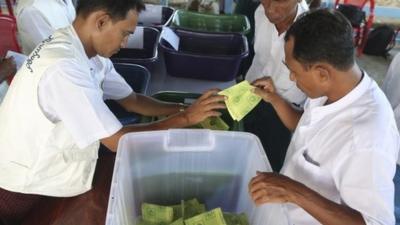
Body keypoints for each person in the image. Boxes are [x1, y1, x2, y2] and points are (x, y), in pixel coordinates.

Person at [0, 0, 225, 223]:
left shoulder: (88, 54)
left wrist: (184, 108)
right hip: (19, 184)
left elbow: (133, 101)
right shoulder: (64, 67)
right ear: (102, 22)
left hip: (49, 166)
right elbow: (117, 141)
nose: (125, 43)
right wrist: (186, 118)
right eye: (125, 33)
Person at [249, 9, 399, 225]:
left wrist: (294, 191)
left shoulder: (368, 137)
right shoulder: (333, 90)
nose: (291, 77)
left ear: (322, 73)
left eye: (294, 71)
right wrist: (275, 99)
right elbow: (307, 128)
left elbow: (375, 222)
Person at [243, 0, 308, 172]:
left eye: (280, 1)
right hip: (251, 96)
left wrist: (274, 99)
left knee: (268, 167)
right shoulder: (260, 13)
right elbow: (259, 60)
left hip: (285, 116)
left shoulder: (310, 34)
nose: (270, 8)